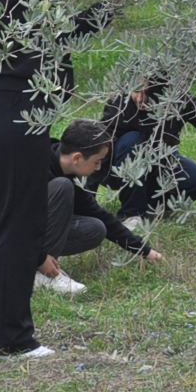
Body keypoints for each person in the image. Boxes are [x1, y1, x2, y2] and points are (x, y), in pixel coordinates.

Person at [0, 0, 141, 359]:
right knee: (17, 228)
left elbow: (72, 32)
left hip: (5, 114)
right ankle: (10, 340)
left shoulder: (14, 15)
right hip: (18, 117)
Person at [98, 75, 196, 228]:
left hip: (160, 161)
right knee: (132, 140)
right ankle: (132, 213)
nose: (141, 100)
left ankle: (150, 204)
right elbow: (99, 143)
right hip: (118, 168)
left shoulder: (178, 100)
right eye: (137, 92)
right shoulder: (120, 102)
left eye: (147, 95)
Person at [29, 120, 163, 295]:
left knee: (95, 228)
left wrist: (144, 250)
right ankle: (42, 272)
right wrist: (39, 258)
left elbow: (99, 214)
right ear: (77, 158)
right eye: (97, 161)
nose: (99, 167)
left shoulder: (69, 173)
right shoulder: (34, 167)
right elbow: (16, 220)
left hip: (32, 233)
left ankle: (40, 270)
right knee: (62, 186)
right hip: (8, 237)